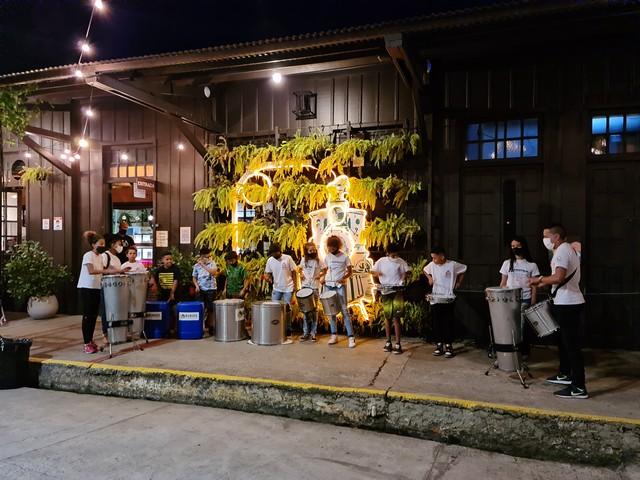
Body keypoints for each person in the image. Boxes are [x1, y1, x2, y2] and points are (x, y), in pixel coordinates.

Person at [529, 224, 587, 399]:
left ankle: (579, 387)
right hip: (567, 300)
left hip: (567, 303)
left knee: (571, 345)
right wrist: (543, 282)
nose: (545, 239)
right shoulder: (567, 250)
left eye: (547, 236)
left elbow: (559, 277)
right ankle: (565, 374)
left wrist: (539, 279)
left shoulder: (562, 251)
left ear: (556, 237)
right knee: (564, 342)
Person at [77, 231, 126, 354]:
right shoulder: (88, 255)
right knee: (88, 316)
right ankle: (86, 343)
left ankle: (90, 340)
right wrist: (108, 271)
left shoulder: (100, 256)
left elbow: (104, 269)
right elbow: (91, 270)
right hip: (86, 287)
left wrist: (118, 270)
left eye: (104, 244)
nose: (103, 246)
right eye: (100, 244)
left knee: (93, 316)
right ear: (93, 244)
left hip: (96, 287)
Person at [499, 236, 539, 356]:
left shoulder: (531, 265)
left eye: (518, 246)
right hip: (509, 300)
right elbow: (503, 283)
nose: (515, 248)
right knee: (509, 326)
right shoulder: (507, 263)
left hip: (524, 299)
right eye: (512, 246)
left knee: (521, 327)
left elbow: (534, 285)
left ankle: (522, 352)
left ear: (523, 246)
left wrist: (533, 300)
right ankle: (510, 351)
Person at [423, 246, 467, 358]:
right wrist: (429, 278)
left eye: (435, 258)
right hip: (436, 297)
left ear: (442, 256)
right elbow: (425, 270)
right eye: (432, 258)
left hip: (448, 297)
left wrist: (458, 283)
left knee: (448, 322)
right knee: (437, 322)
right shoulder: (432, 265)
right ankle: (439, 344)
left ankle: (448, 345)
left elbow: (464, 269)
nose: (433, 260)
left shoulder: (452, 265)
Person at [371, 244, 411, 355]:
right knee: (387, 318)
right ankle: (388, 342)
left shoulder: (400, 261)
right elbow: (372, 271)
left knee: (396, 318)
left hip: (397, 291)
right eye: (392, 255)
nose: (394, 256)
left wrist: (402, 279)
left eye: (396, 254)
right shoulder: (382, 261)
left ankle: (398, 344)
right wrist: (377, 273)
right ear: (388, 253)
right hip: (385, 291)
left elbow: (406, 272)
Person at [320, 236, 356, 348]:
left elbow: (350, 272)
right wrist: (322, 278)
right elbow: (325, 270)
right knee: (331, 311)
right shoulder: (327, 257)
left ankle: (351, 337)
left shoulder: (344, 257)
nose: (330, 249)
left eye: (333, 247)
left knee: (344, 310)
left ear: (337, 246)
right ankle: (334, 335)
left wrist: (343, 278)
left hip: (340, 286)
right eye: (329, 247)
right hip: (328, 285)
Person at [99, 234, 132, 345]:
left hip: (117, 288)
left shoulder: (117, 258)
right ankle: (105, 334)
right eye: (119, 244)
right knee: (106, 310)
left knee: (118, 309)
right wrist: (116, 271)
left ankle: (118, 333)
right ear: (112, 244)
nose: (121, 246)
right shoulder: (105, 256)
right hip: (107, 288)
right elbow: (101, 270)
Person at [263, 243, 297, 343]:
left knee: (287, 309)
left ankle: (288, 330)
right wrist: (267, 278)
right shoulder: (270, 260)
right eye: (271, 253)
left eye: (274, 253)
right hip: (277, 288)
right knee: (274, 308)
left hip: (288, 287)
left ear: (279, 251)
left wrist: (295, 286)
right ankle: (276, 328)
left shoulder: (288, 258)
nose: (273, 255)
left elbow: (294, 272)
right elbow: (267, 273)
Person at [298, 242, 327, 342]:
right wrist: (301, 274)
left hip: (314, 287)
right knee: (305, 311)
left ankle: (313, 333)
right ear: (307, 251)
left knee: (314, 310)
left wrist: (320, 275)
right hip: (305, 286)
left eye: (314, 250)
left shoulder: (319, 261)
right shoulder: (303, 260)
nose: (313, 251)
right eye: (310, 250)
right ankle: (305, 332)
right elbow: (299, 269)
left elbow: (325, 269)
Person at [153, 252, 181, 335]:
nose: (169, 261)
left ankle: (176, 330)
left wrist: (172, 293)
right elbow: (154, 280)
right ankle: (165, 330)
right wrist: (155, 287)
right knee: (164, 313)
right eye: (167, 259)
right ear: (162, 260)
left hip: (174, 296)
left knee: (175, 312)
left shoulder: (175, 269)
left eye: (170, 259)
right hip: (163, 296)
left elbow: (175, 281)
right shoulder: (159, 270)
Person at [192, 247, 218, 336]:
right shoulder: (196, 266)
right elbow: (194, 277)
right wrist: (196, 286)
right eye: (207, 257)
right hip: (200, 289)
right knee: (201, 309)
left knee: (211, 309)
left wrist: (203, 265)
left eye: (209, 256)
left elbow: (213, 272)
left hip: (211, 289)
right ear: (202, 257)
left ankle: (211, 327)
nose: (209, 258)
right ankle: (200, 328)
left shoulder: (212, 263)